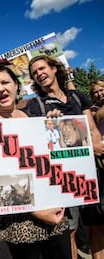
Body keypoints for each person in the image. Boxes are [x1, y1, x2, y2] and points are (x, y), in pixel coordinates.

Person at [0, 62, 70, 259]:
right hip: (22, 225)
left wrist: (57, 127)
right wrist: (39, 212)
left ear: (16, 85)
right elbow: (1, 184)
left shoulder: (35, 117)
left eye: (5, 82)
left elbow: (54, 161)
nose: (0, 88)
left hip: (55, 212)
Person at [25, 55, 104, 259]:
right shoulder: (36, 105)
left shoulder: (78, 97)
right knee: (70, 231)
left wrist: (98, 146)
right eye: (35, 73)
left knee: (97, 227)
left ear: (53, 69)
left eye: (42, 68)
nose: (39, 74)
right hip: (62, 179)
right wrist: (49, 126)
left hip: (89, 174)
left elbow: (92, 130)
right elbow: (37, 144)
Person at [80, 78, 104, 259]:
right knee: (96, 225)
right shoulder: (94, 112)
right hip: (97, 169)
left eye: (102, 90)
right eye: (95, 92)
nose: (99, 94)